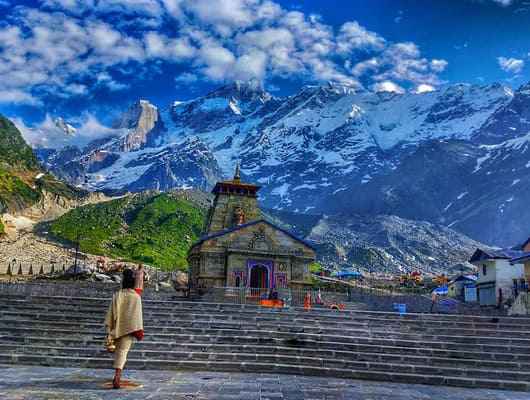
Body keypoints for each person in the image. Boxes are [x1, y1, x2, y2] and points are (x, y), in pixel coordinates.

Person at [105, 268, 144, 389]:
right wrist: (137, 329)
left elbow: (111, 312)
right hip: (128, 328)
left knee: (119, 352)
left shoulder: (117, 295)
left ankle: (117, 374)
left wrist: (110, 327)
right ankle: (117, 376)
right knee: (123, 352)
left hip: (116, 327)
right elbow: (137, 314)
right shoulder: (136, 297)